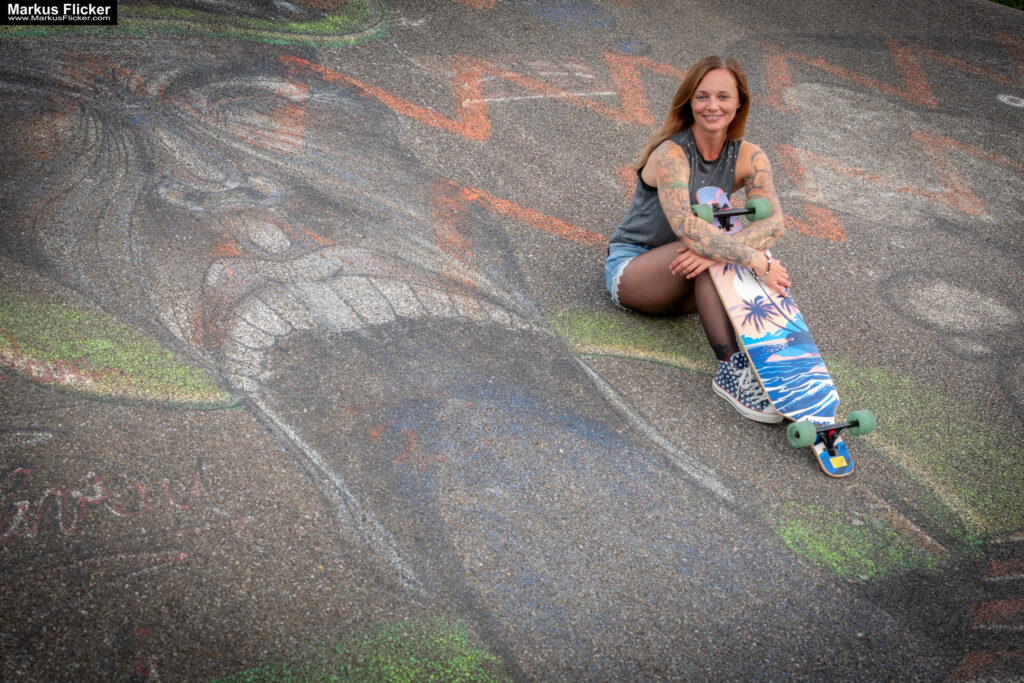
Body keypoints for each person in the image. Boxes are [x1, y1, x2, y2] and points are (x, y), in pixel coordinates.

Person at [604, 55, 791, 423]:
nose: (712, 106)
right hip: (637, 271)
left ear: (739, 103)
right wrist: (756, 260)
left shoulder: (749, 156)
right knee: (723, 247)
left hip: (690, 278)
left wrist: (719, 253)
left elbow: (775, 221)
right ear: (689, 101)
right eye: (702, 96)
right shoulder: (670, 154)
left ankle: (771, 362)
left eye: (723, 96)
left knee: (723, 246)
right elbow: (687, 228)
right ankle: (730, 370)